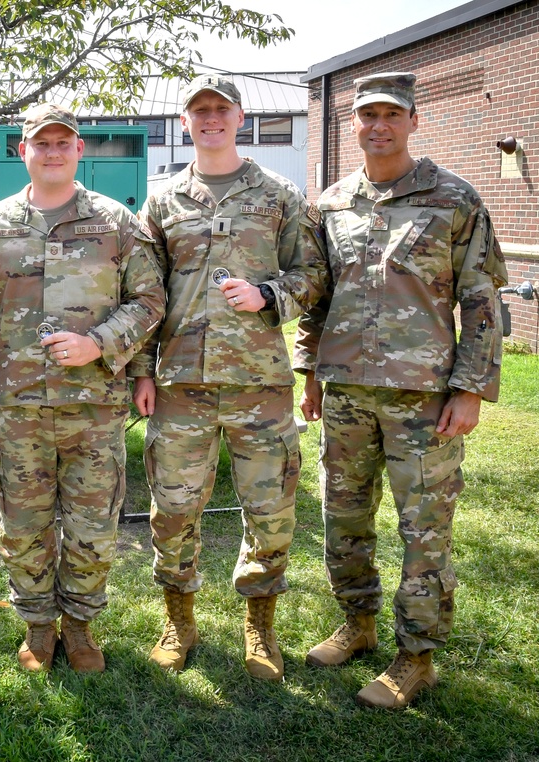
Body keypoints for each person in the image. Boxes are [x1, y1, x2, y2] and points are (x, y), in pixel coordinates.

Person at [294, 72, 506, 708]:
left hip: (425, 400)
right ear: (352, 125)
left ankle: (416, 657)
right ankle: (357, 624)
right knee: (344, 518)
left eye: (392, 113)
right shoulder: (331, 204)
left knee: (425, 530)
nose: (378, 125)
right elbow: (316, 296)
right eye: (367, 115)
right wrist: (309, 374)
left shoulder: (455, 200)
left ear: (413, 120)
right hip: (348, 394)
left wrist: (469, 389)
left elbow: (483, 301)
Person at [0, 103, 165, 673]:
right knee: (24, 524)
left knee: (94, 525)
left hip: (94, 407)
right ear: (23, 151)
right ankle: (38, 628)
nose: (51, 152)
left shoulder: (116, 223)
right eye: (40, 143)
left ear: (79, 150)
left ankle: (82, 626)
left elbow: (148, 302)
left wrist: (100, 343)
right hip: (18, 407)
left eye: (62, 143)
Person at [132, 74, 327, 680]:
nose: (210, 118)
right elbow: (142, 293)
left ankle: (260, 627)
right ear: (185, 123)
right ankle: (179, 620)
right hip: (180, 385)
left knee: (269, 510)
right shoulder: (163, 201)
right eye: (199, 111)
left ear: (240, 118)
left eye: (221, 109)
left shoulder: (280, 195)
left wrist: (267, 294)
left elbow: (314, 277)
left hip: (259, 385)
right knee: (173, 509)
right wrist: (141, 370)